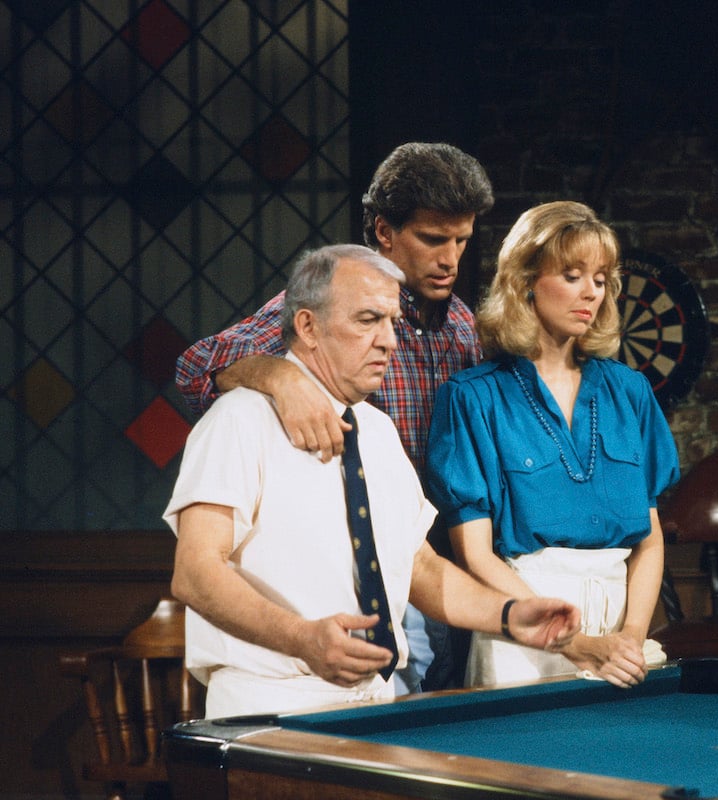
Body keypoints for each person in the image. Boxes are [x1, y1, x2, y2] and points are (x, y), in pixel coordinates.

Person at [165, 244, 579, 718]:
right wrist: (302, 638)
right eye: (367, 320)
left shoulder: (378, 430)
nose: (388, 341)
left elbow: (419, 566)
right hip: (270, 705)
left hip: (375, 704)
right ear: (307, 327)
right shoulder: (239, 418)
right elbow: (195, 573)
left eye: (392, 323)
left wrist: (507, 616)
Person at [175, 142, 492, 694]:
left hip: (434, 563)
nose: (451, 259)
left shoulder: (464, 327)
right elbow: (197, 366)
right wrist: (277, 375)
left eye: (461, 241)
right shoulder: (337, 300)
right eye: (434, 239)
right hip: (347, 579)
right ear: (385, 232)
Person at [425, 201, 680, 689]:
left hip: (623, 639)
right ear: (524, 281)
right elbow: (475, 556)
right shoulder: (473, 398)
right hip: (523, 636)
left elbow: (649, 540)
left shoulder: (629, 392)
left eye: (601, 279)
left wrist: (629, 637)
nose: (591, 293)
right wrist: (577, 644)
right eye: (572, 275)